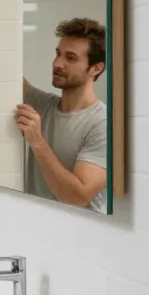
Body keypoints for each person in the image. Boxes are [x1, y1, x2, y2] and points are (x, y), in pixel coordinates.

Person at [17, 17, 108, 212]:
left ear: (96, 68)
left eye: (71, 58)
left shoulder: (102, 123)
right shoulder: (43, 104)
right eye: (58, 54)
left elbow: (78, 197)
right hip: (37, 227)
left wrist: (37, 142)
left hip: (82, 235)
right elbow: (3, 75)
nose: (57, 63)